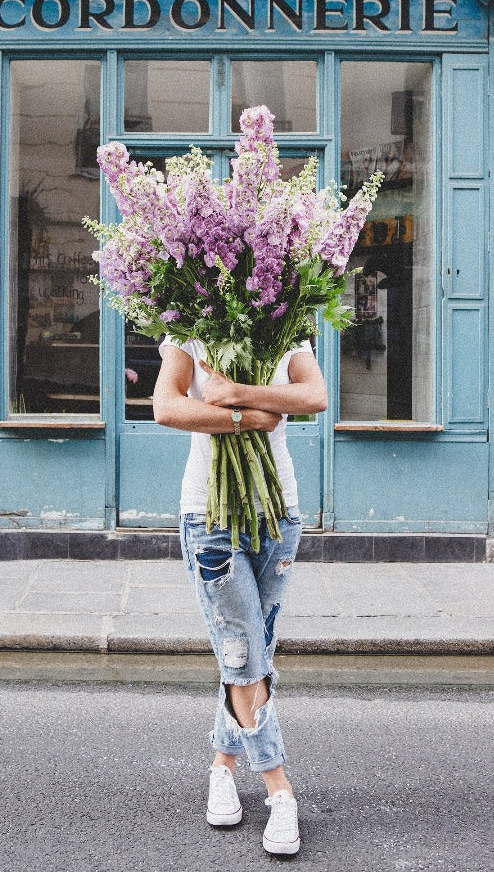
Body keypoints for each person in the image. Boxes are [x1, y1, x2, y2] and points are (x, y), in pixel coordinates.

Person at [153, 335, 328, 856]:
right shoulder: (186, 330)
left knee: (255, 649)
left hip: (279, 515)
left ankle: (222, 768)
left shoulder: (287, 323)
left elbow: (315, 396)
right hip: (209, 515)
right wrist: (243, 417)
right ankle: (279, 787)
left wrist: (237, 390)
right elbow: (166, 406)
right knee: (244, 654)